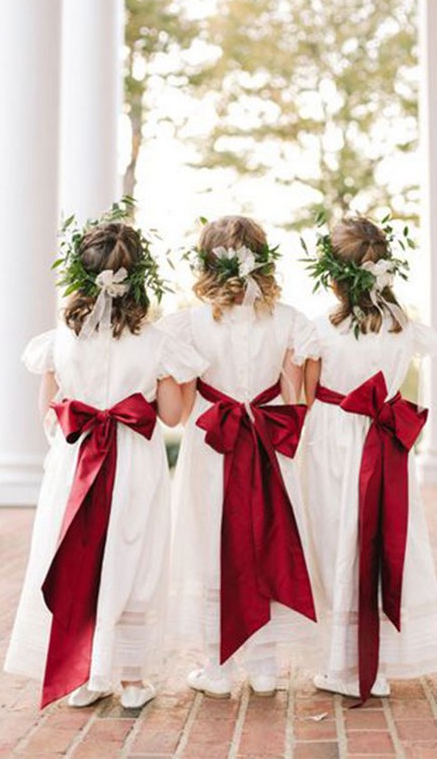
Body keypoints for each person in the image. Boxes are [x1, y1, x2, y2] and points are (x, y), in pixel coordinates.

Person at [5, 204, 207, 710]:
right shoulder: (157, 342)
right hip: (134, 463)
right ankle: (133, 681)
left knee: (80, 557)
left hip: (75, 464)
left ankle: (87, 675)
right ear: (139, 278)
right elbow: (173, 415)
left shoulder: (61, 340)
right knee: (134, 559)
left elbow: (49, 413)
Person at [158, 215, 318, 698]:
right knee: (268, 542)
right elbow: (299, 399)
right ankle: (266, 667)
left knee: (211, 548)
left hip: (213, 446)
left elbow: (180, 411)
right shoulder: (290, 320)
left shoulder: (188, 325)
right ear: (262, 257)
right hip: (269, 445)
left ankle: (218, 667)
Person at [299, 214, 437, 702]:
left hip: (332, 441)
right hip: (384, 442)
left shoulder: (320, 331)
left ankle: (344, 664)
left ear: (332, 276)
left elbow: (307, 397)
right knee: (382, 539)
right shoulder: (402, 325)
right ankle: (377, 660)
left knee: (336, 541)